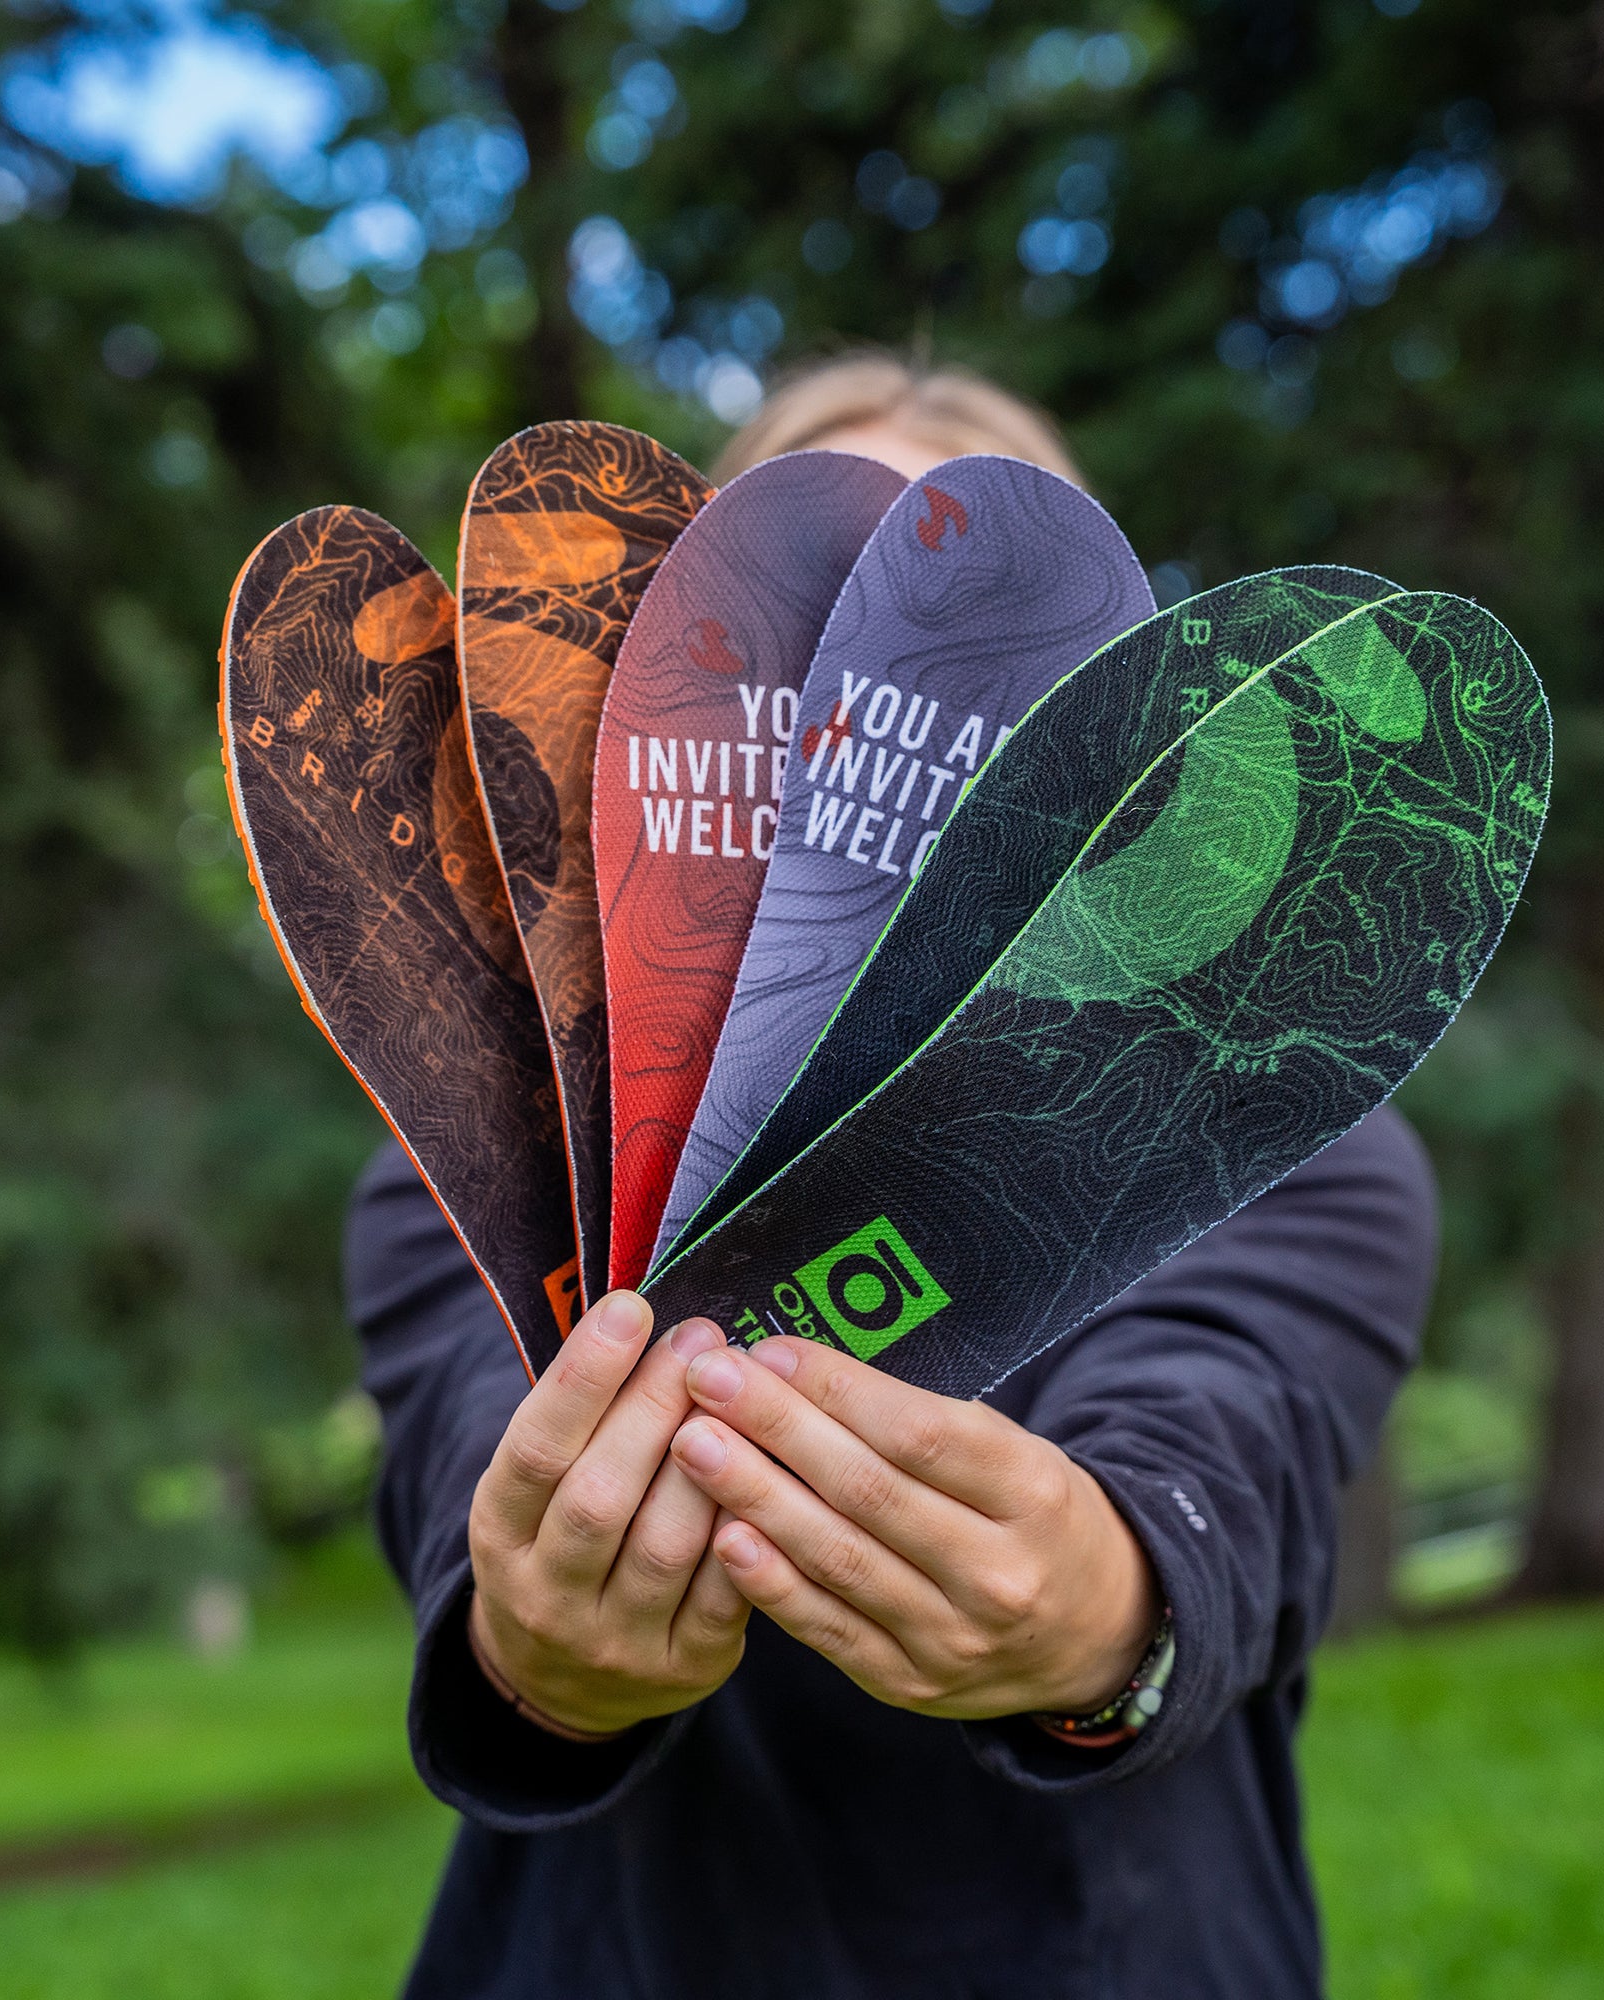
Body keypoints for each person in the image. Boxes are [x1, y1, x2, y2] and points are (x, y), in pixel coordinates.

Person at [350, 352, 1439, 1997]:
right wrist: (539, 1654)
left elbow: (1234, 1439)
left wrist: (1107, 1602)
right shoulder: (481, 1142)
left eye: (965, 645)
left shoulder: (1279, 1131)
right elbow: (469, 1474)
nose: (870, 712)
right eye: (810, 612)